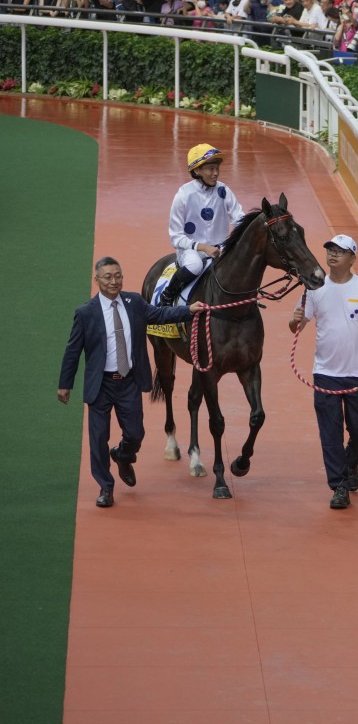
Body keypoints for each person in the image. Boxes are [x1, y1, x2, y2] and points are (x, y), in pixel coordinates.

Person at [57, 257, 202, 507]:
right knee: (98, 438)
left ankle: (123, 455)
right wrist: (64, 384)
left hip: (129, 382)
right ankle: (106, 487)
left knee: (136, 433)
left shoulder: (134, 302)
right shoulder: (85, 313)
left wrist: (187, 310)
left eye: (118, 276)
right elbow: (73, 350)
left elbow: (160, 315)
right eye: (108, 277)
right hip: (100, 385)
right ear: (97, 281)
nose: (114, 281)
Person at [289, 235, 358, 509]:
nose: (333, 255)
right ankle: (340, 486)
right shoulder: (315, 288)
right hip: (325, 374)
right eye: (330, 250)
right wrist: (294, 320)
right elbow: (297, 326)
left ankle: (351, 463)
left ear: (352, 259)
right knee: (330, 434)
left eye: (340, 252)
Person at [160, 144, 245, 306]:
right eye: (211, 169)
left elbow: (239, 217)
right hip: (192, 251)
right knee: (195, 265)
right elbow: (176, 237)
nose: (216, 173)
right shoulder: (183, 195)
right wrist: (204, 247)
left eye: (217, 168)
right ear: (197, 170)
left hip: (220, 248)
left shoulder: (223, 190)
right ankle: (168, 295)